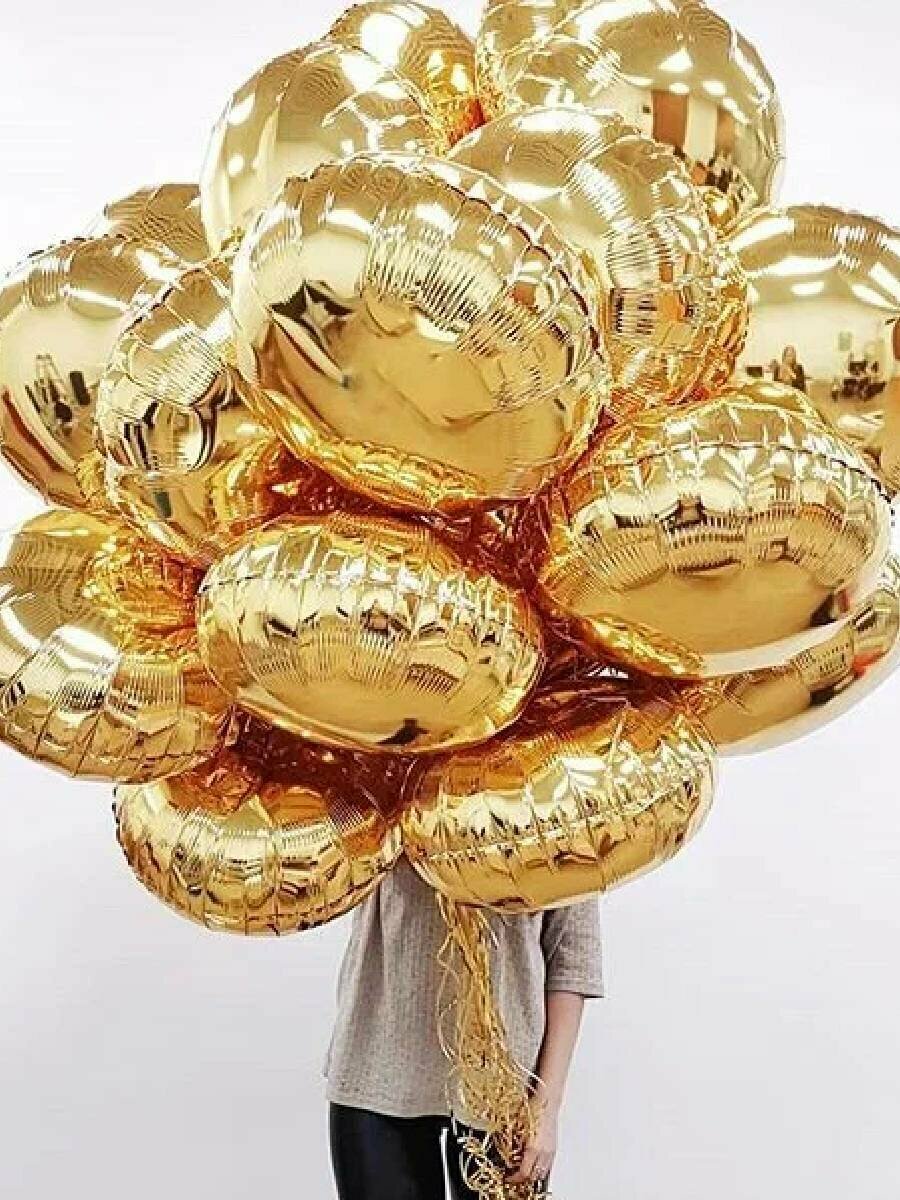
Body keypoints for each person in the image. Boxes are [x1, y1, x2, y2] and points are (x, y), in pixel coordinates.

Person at [326, 859, 603, 1198]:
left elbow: (572, 959)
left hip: (505, 1085)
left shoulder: (565, 822)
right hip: (379, 1056)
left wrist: (547, 1109)